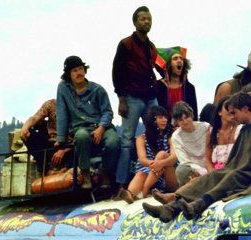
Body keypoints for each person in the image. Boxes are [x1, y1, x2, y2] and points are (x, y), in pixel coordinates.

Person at [143, 92, 251, 221]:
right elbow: (236, 160)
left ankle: (197, 206)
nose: (232, 117)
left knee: (231, 176)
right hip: (240, 171)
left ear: (245, 109)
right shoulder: (246, 128)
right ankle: (170, 207)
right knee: (215, 174)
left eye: (234, 112)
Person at [56, 56, 119, 189]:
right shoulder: (63, 88)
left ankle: (106, 173)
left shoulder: (97, 89)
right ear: (69, 75)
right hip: (81, 128)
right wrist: (60, 139)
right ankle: (85, 175)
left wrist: (101, 129)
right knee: (81, 136)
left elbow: (108, 112)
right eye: (74, 71)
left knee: (113, 141)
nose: (79, 73)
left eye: (80, 69)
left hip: (102, 126)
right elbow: (61, 113)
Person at [112, 5, 158, 189]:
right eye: (143, 19)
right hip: (131, 97)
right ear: (135, 22)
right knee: (127, 141)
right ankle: (121, 185)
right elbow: (117, 71)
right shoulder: (126, 44)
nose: (147, 22)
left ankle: (154, 180)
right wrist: (121, 98)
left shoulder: (151, 47)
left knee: (155, 136)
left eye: (149, 19)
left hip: (150, 96)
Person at [119, 106, 178, 203]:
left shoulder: (170, 136)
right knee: (140, 174)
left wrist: (160, 163)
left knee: (162, 155)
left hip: (169, 176)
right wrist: (155, 164)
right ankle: (130, 195)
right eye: (160, 118)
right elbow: (142, 160)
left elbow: (174, 157)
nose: (164, 120)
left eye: (165, 117)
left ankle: (144, 191)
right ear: (152, 120)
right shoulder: (141, 138)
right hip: (151, 174)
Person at [19, 99, 69, 170]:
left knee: (83, 143)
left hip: (71, 147)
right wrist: (25, 127)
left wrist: (64, 150)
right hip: (53, 144)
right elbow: (36, 117)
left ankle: (67, 168)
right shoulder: (51, 104)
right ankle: (45, 170)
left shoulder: (80, 107)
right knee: (28, 135)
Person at [170, 101, 210, 185]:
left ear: (191, 115)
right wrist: (201, 171)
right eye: (181, 120)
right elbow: (184, 161)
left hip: (212, 164)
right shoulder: (176, 137)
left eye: (186, 117)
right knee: (181, 170)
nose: (185, 122)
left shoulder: (206, 127)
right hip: (194, 170)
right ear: (177, 122)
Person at [155, 47, 198, 120]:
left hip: (186, 127)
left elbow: (194, 115)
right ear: (168, 65)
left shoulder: (189, 88)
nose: (179, 61)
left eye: (181, 58)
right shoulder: (159, 86)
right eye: (175, 59)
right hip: (166, 127)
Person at [205, 96, 242, 171]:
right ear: (220, 112)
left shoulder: (240, 130)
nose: (231, 110)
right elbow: (207, 160)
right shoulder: (211, 132)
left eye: (234, 107)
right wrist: (212, 174)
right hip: (214, 173)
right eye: (227, 107)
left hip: (234, 173)